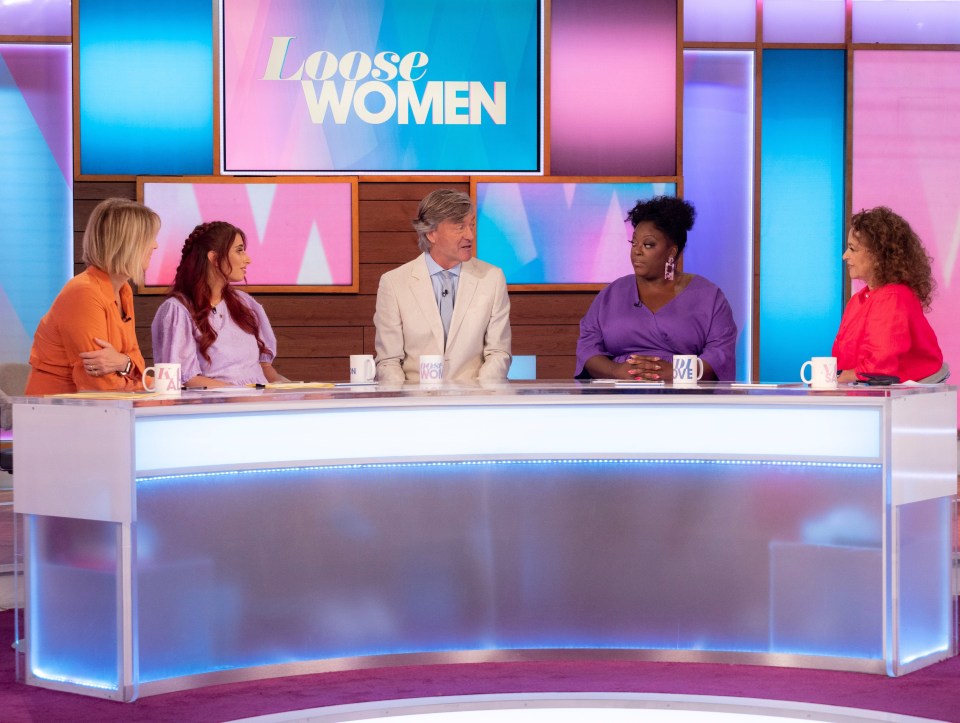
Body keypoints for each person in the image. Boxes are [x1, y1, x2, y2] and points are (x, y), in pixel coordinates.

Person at [575, 196, 737, 382]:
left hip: (683, 400)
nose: (637, 251)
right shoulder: (610, 295)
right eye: (634, 243)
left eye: (648, 244)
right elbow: (587, 349)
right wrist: (616, 371)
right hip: (620, 398)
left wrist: (676, 373)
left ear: (671, 252)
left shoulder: (709, 297)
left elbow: (720, 354)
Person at [374, 189, 512, 383]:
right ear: (431, 233)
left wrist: (480, 397)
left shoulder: (492, 278)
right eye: (460, 227)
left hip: (474, 403)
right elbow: (389, 361)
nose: (470, 235)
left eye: (471, 225)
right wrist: (403, 402)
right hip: (415, 405)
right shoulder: (394, 283)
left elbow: (498, 353)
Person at [25, 198, 160, 394]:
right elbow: (97, 385)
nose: (155, 245)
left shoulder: (124, 290)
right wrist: (147, 385)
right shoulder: (84, 293)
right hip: (57, 410)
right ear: (126, 243)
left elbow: (133, 358)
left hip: (100, 409)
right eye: (150, 238)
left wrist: (124, 363)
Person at [151, 221, 287, 388]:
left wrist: (286, 387)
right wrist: (240, 395)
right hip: (214, 409)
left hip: (258, 405)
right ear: (214, 258)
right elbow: (183, 380)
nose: (248, 259)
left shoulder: (246, 303)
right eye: (239, 250)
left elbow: (264, 366)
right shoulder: (177, 310)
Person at [833, 206, 943, 383]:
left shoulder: (893, 297)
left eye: (852, 249)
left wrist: (836, 379)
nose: (845, 256)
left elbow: (879, 368)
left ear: (878, 255)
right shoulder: (858, 300)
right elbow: (843, 363)